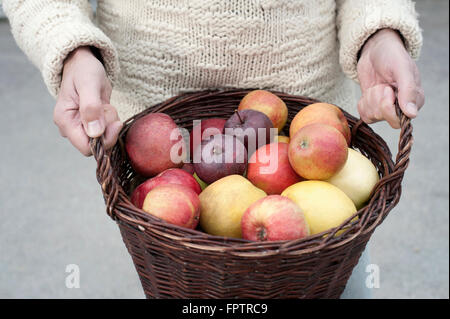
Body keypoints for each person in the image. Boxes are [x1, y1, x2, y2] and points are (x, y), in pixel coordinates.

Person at [3, 0, 425, 298]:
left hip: (308, 141)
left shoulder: (310, 155)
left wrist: (379, 31)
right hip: (156, 149)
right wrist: (73, 50)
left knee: (332, 280)